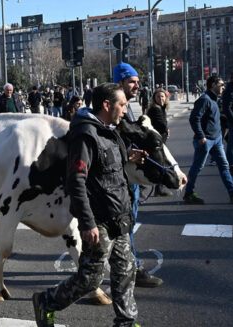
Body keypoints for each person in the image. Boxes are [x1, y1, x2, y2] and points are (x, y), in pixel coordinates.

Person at [32, 83, 143, 327]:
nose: (126, 109)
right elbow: (76, 180)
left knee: (126, 270)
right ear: (107, 105)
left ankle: (126, 321)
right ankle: (47, 301)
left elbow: (106, 163)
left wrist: (129, 156)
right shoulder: (85, 135)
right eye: (122, 104)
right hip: (99, 220)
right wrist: (87, 222)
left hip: (119, 216)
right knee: (90, 279)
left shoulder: (109, 129)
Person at [111, 62, 163, 288]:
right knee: (125, 226)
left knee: (125, 225)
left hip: (131, 177)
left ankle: (126, 267)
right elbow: (111, 142)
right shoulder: (114, 109)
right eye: (132, 81)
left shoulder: (129, 107)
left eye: (137, 81)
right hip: (121, 178)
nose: (137, 85)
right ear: (120, 82)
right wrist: (128, 154)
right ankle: (133, 268)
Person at [183, 76, 233, 205]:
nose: (223, 87)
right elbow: (194, 119)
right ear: (212, 85)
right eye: (221, 85)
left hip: (217, 140)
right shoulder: (204, 100)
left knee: (224, 166)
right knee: (197, 167)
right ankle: (189, 193)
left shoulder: (215, 99)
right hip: (205, 141)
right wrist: (201, 136)